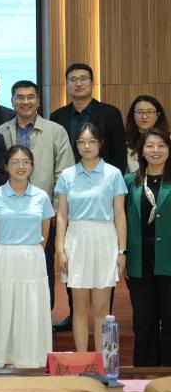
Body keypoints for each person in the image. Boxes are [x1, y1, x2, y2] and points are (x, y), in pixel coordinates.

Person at [0, 80, 75, 313]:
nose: (25, 101)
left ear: (38, 101)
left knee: (42, 266)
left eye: (30, 97)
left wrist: (56, 208)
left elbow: (64, 172)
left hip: (42, 213)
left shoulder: (55, 131)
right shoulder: (1, 132)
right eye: (19, 97)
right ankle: (12, 318)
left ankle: (41, 318)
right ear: (12, 101)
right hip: (8, 213)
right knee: (8, 268)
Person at [54, 123, 128, 352]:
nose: (86, 146)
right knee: (79, 307)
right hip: (76, 239)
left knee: (101, 308)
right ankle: (82, 360)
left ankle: (102, 362)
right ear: (76, 145)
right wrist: (59, 248)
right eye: (82, 142)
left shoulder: (113, 174)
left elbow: (119, 214)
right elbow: (62, 215)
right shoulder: (67, 175)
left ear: (100, 144)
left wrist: (122, 250)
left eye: (92, 141)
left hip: (105, 238)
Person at [0, 145, 54, 369]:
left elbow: (45, 233)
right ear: (6, 166)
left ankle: (30, 358)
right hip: (3, 258)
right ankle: (0, 356)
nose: (20, 166)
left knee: (30, 308)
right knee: (2, 307)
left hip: (32, 258)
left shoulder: (41, 197)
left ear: (32, 166)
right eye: (15, 162)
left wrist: (31, 252)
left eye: (25, 162)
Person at [124, 128, 171, 366]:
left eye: (161, 145)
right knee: (143, 322)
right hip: (140, 261)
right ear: (141, 151)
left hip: (168, 260)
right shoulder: (129, 182)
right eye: (150, 146)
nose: (156, 150)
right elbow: (120, 220)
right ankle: (143, 375)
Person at [50, 63, 128, 172]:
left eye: (83, 79)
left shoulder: (110, 113)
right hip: (67, 178)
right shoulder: (57, 116)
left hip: (102, 178)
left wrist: (112, 179)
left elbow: (119, 154)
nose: (78, 83)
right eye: (73, 79)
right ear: (67, 84)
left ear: (92, 83)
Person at [125, 96, 168, 173]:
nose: (144, 116)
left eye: (149, 112)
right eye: (140, 112)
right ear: (133, 115)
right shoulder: (125, 142)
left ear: (158, 115)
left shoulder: (168, 139)